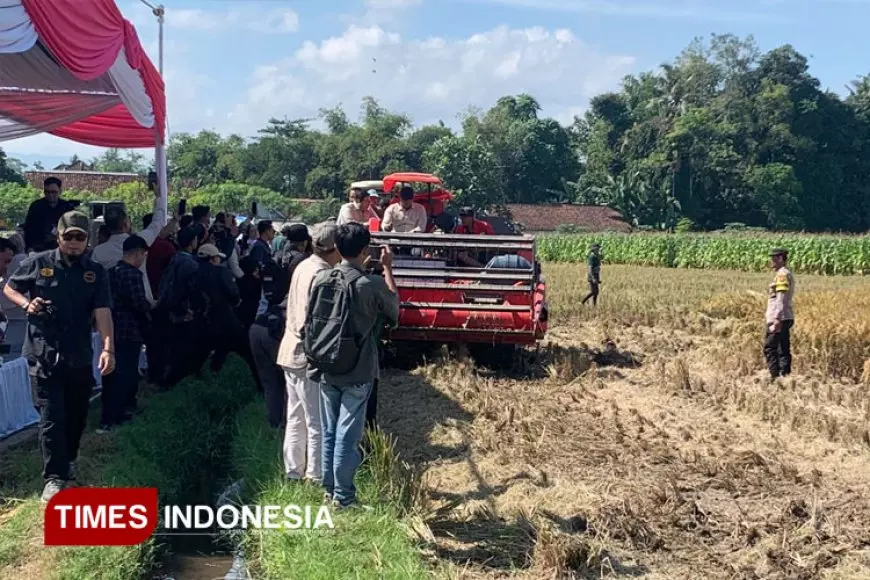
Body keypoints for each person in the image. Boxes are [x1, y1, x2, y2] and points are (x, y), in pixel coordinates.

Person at [3, 211, 115, 502]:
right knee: (51, 418)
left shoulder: (95, 272)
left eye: (80, 237)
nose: (75, 243)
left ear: (87, 240)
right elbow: (9, 288)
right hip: (43, 355)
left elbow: (103, 312)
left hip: (78, 354)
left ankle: (70, 460)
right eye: (69, 237)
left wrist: (107, 347)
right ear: (59, 237)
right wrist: (28, 305)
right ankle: (54, 478)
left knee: (77, 415)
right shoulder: (38, 263)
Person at [311, 223, 400, 508]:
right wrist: (386, 268)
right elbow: (395, 312)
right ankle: (344, 498)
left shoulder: (321, 278)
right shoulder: (369, 284)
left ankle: (328, 489)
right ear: (365, 251)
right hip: (359, 369)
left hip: (326, 364)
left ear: (336, 248)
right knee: (346, 436)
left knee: (328, 431)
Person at [277, 222, 340, 483]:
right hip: (306, 354)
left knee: (296, 416)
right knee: (316, 420)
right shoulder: (321, 274)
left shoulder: (305, 265)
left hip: (289, 350)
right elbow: (312, 321)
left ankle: (293, 471)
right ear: (334, 249)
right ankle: (314, 475)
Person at [251, 225, 312, 429]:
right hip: (284, 324)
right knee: (291, 382)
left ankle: (273, 426)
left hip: (262, 321)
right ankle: (290, 429)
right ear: (304, 242)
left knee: (270, 384)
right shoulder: (302, 262)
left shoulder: (275, 256)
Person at [100, 235, 152, 433]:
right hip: (129, 330)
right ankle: (120, 416)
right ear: (138, 252)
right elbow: (138, 303)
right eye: (144, 254)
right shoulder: (132, 275)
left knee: (111, 374)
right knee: (126, 375)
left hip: (111, 329)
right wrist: (151, 308)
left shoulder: (111, 271)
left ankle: (108, 416)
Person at [193, 244, 261, 387]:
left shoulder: (194, 272)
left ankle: (202, 379)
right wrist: (236, 301)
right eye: (217, 257)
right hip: (225, 319)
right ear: (212, 259)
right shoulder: (221, 272)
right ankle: (261, 384)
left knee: (208, 351)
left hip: (203, 321)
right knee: (246, 351)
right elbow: (233, 293)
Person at [156, 227, 201, 387]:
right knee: (182, 349)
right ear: (192, 241)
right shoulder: (189, 263)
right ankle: (174, 381)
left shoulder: (175, 258)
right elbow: (185, 288)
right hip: (182, 310)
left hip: (170, 308)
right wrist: (184, 310)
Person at [23, 177, 79, 253]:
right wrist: (29, 247)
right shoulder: (36, 206)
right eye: (47, 192)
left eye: (54, 192)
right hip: (38, 247)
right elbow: (28, 228)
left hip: (60, 248)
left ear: (60, 191)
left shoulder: (67, 207)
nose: (50, 195)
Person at [764, 248, 795, 379]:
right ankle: (785, 376)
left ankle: (774, 376)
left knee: (770, 347)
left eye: (774, 258)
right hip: (786, 316)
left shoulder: (782, 275)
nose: (771, 261)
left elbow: (781, 298)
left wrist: (777, 318)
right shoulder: (784, 273)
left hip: (780, 317)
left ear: (781, 259)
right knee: (783, 347)